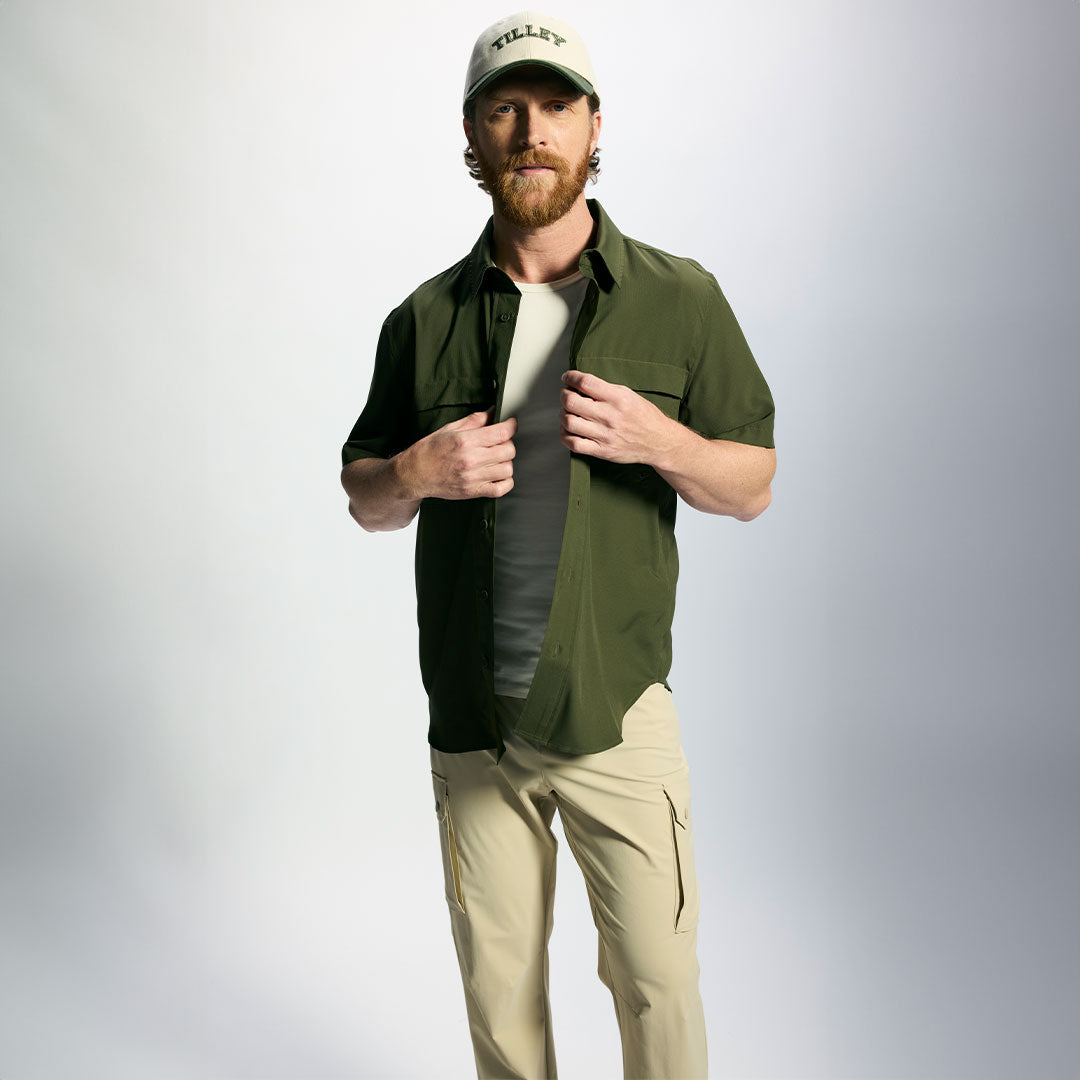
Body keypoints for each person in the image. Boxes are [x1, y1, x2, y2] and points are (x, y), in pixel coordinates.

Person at [339, 11, 776, 1078]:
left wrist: (663, 442)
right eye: (505, 108)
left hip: (614, 706)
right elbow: (365, 497)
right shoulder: (423, 320)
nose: (532, 131)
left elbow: (753, 484)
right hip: (474, 717)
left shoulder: (680, 298)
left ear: (593, 128)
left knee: (657, 983)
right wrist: (414, 473)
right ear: (473, 133)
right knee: (500, 1000)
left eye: (555, 106)